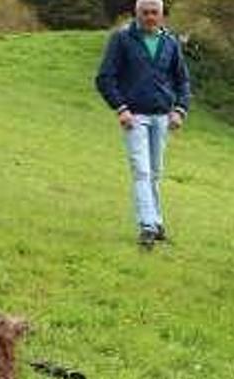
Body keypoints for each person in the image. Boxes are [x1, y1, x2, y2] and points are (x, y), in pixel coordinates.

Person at [94, 0, 191, 248]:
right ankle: (147, 226)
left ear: (161, 15)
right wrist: (120, 108)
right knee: (142, 171)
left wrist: (180, 109)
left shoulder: (170, 43)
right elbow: (105, 78)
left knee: (155, 172)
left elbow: (183, 80)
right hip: (134, 116)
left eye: (154, 13)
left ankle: (156, 224)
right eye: (145, 13)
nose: (149, 17)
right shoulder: (122, 39)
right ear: (136, 14)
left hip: (161, 115)